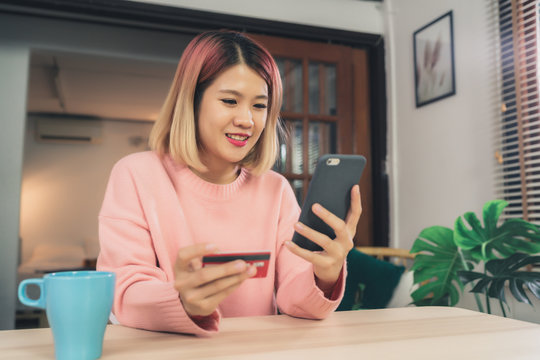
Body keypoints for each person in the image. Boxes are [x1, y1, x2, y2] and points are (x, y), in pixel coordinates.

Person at [97, 30, 362, 336]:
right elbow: (123, 294)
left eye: (259, 106)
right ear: (191, 102)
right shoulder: (136, 174)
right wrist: (181, 300)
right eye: (229, 101)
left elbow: (295, 299)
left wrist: (324, 275)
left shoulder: (275, 189)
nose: (247, 120)